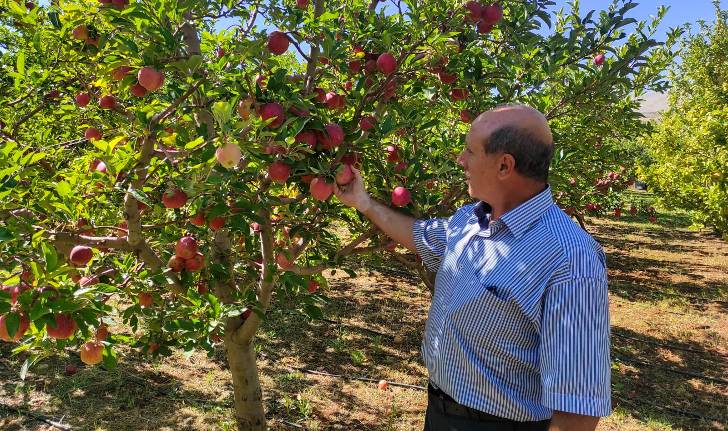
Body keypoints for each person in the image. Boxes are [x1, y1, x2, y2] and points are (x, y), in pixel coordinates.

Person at [334, 104, 611, 431]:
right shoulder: (470, 219)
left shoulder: (570, 259)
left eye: (470, 151)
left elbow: (577, 409)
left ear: (504, 165)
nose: (460, 160)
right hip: (440, 411)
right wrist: (364, 203)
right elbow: (421, 236)